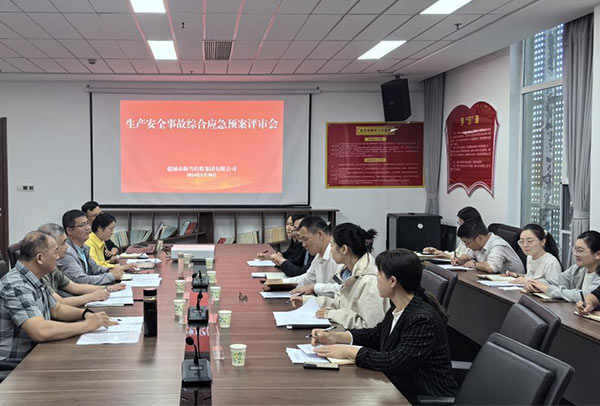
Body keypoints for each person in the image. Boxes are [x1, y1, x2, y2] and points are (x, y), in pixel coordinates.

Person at [310, 249, 457, 403]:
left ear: (392, 281)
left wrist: (349, 351)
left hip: (421, 398)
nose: (376, 279)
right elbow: (377, 334)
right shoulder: (399, 306)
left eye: (379, 275)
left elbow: (395, 362)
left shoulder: (422, 319)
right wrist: (337, 337)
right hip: (398, 389)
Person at [0, 231, 117, 366]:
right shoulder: (16, 285)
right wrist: (87, 325)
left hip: (38, 352)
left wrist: (86, 314)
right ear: (40, 258)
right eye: (55, 252)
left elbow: (57, 309)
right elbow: (40, 331)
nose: (59, 256)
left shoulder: (35, 276)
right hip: (16, 365)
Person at [291, 223, 389, 328]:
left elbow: (371, 327)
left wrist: (331, 314)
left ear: (344, 249)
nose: (330, 250)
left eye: (332, 245)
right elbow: (340, 303)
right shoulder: (348, 272)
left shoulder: (370, 281)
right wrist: (308, 301)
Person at [38, 223, 126, 307]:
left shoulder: (53, 269)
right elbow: (59, 304)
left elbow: (75, 287)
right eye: (63, 243)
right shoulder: (40, 274)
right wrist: (92, 297)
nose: (88, 228)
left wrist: (108, 288)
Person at [57, 210, 132, 285]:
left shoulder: (84, 248)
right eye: (82, 225)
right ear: (69, 230)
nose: (88, 228)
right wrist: (111, 276)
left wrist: (110, 270)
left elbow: (95, 268)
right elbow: (80, 280)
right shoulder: (66, 252)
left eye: (87, 223)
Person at [277, 216, 343, 297]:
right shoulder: (318, 256)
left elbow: (343, 288)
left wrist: (314, 287)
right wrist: (280, 283)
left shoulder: (338, 255)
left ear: (319, 235)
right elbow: (307, 279)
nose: (303, 245)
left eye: (305, 239)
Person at [526, 231, 600, 302]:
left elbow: (585, 296)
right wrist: (534, 284)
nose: (575, 254)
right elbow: (555, 281)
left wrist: (548, 289)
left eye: (580, 251)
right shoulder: (576, 269)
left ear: (598, 254)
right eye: (575, 250)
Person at [452, 220, 525, 274]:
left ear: (480, 238)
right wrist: (459, 260)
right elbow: (467, 255)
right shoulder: (477, 244)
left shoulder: (498, 245)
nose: (466, 246)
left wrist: (474, 264)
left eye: (467, 243)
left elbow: (492, 267)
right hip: (498, 279)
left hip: (514, 283)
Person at [504, 224, 562, 291]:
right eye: (522, 241)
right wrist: (517, 275)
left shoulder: (551, 262)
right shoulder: (530, 257)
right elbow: (532, 277)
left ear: (543, 242)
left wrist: (527, 282)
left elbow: (554, 288)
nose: (525, 245)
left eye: (530, 241)